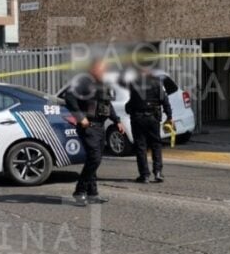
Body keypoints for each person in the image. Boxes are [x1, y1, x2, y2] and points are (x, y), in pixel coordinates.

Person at [63, 57, 125, 207]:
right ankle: (80, 191)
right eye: (101, 68)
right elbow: (69, 97)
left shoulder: (102, 84)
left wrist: (117, 121)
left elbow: (107, 105)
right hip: (88, 126)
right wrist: (80, 117)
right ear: (93, 68)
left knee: (94, 160)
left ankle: (92, 194)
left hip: (100, 127)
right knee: (94, 159)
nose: (104, 71)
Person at [125, 68, 172, 183]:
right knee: (156, 145)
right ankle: (158, 172)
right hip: (153, 118)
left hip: (138, 119)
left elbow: (131, 102)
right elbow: (165, 101)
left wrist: (129, 109)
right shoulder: (156, 83)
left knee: (141, 147)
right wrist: (169, 116)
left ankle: (144, 175)